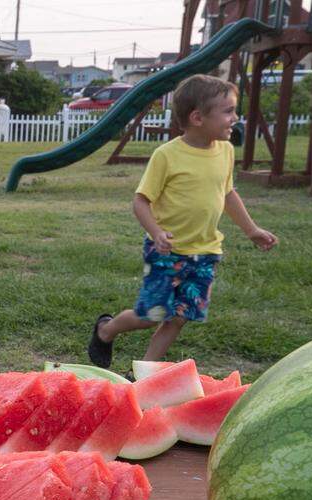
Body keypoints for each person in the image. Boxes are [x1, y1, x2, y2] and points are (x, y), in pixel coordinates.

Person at [87, 75, 278, 368]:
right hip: (167, 251)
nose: (235, 118)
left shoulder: (225, 151)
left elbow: (227, 193)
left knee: (179, 316)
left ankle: (144, 373)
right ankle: (107, 329)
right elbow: (140, 201)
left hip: (205, 252)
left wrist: (251, 230)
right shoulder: (167, 155)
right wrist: (156, 232)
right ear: (198, 117)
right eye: (228, 111)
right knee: (152, 315)